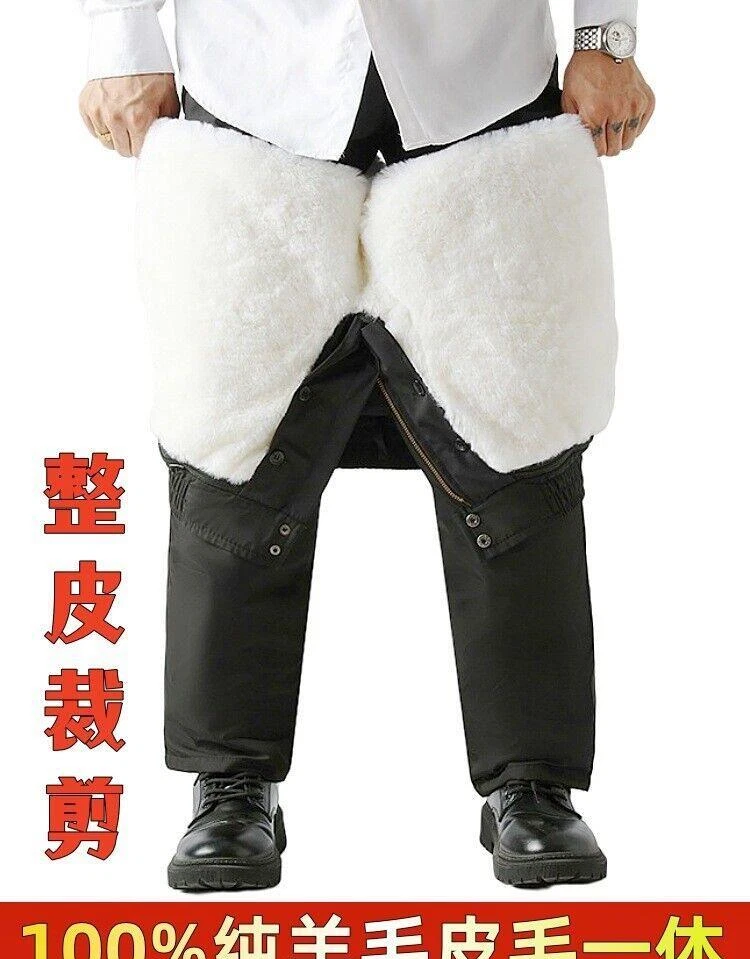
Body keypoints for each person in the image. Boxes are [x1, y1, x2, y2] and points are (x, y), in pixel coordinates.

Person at [78, 0, 654, 892]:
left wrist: (604, 37)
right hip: (255, 67)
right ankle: (229, 782)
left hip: (479, 63)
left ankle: (533, 780)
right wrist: (119, 37)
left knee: (517, 426)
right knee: (233, 433)